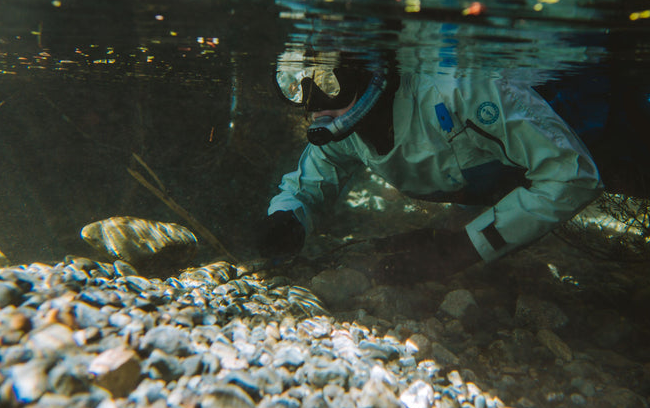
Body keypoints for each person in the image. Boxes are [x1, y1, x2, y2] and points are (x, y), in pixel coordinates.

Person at [257, 49, 604, 281]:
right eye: (294, 87)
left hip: (601, 135)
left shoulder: (460, 90)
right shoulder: (344, 127)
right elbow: (305, 187)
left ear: (364, 70)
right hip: (486, 187)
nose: (313, 105)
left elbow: (570, 174)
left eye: (327, 81)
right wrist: (287, 218)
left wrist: (461, 249)